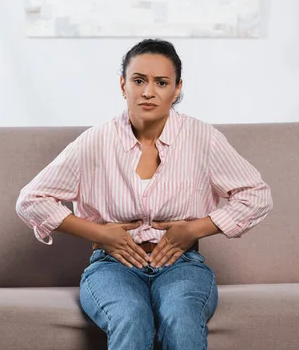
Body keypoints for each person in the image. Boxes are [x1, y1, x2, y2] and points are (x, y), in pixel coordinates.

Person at [16, 39, 273, 349]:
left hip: (183, 263)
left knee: (181, 315)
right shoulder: (96, 141)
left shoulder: (202, 138)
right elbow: (32, 200)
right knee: (131, 315)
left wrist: (193, 229)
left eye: (161, 82)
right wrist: (100, 233)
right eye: (139, 80)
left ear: (177, 89)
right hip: (111, 266)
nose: (148, 91)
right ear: (123, 85)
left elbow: (256, 195)